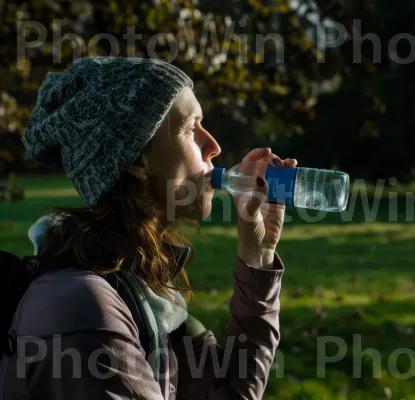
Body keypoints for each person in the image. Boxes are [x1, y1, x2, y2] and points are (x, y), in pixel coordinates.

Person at [0, 57, 296, 399]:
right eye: (189, 129)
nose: (213, 146)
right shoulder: (86, 309)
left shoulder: (143, 286)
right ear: (138, 160)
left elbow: (226, 393)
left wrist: (257, 255)